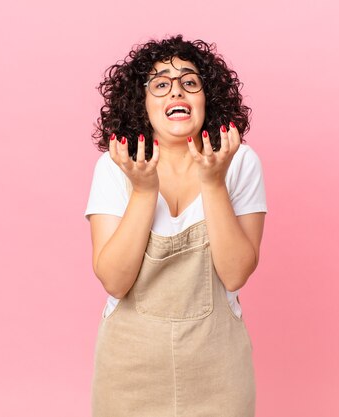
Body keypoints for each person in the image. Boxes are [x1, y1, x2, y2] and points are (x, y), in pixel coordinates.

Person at [85, 34, 267, 417]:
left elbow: (235, 274)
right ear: (142, 104)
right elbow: (115, 281)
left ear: (208, 98)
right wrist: (143, 191)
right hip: (129, 368)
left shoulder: (240, 162)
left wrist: (213, 183)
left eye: (190, 82)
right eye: (161, 84)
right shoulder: (115, 167)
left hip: (218, 362)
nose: (176, 92)